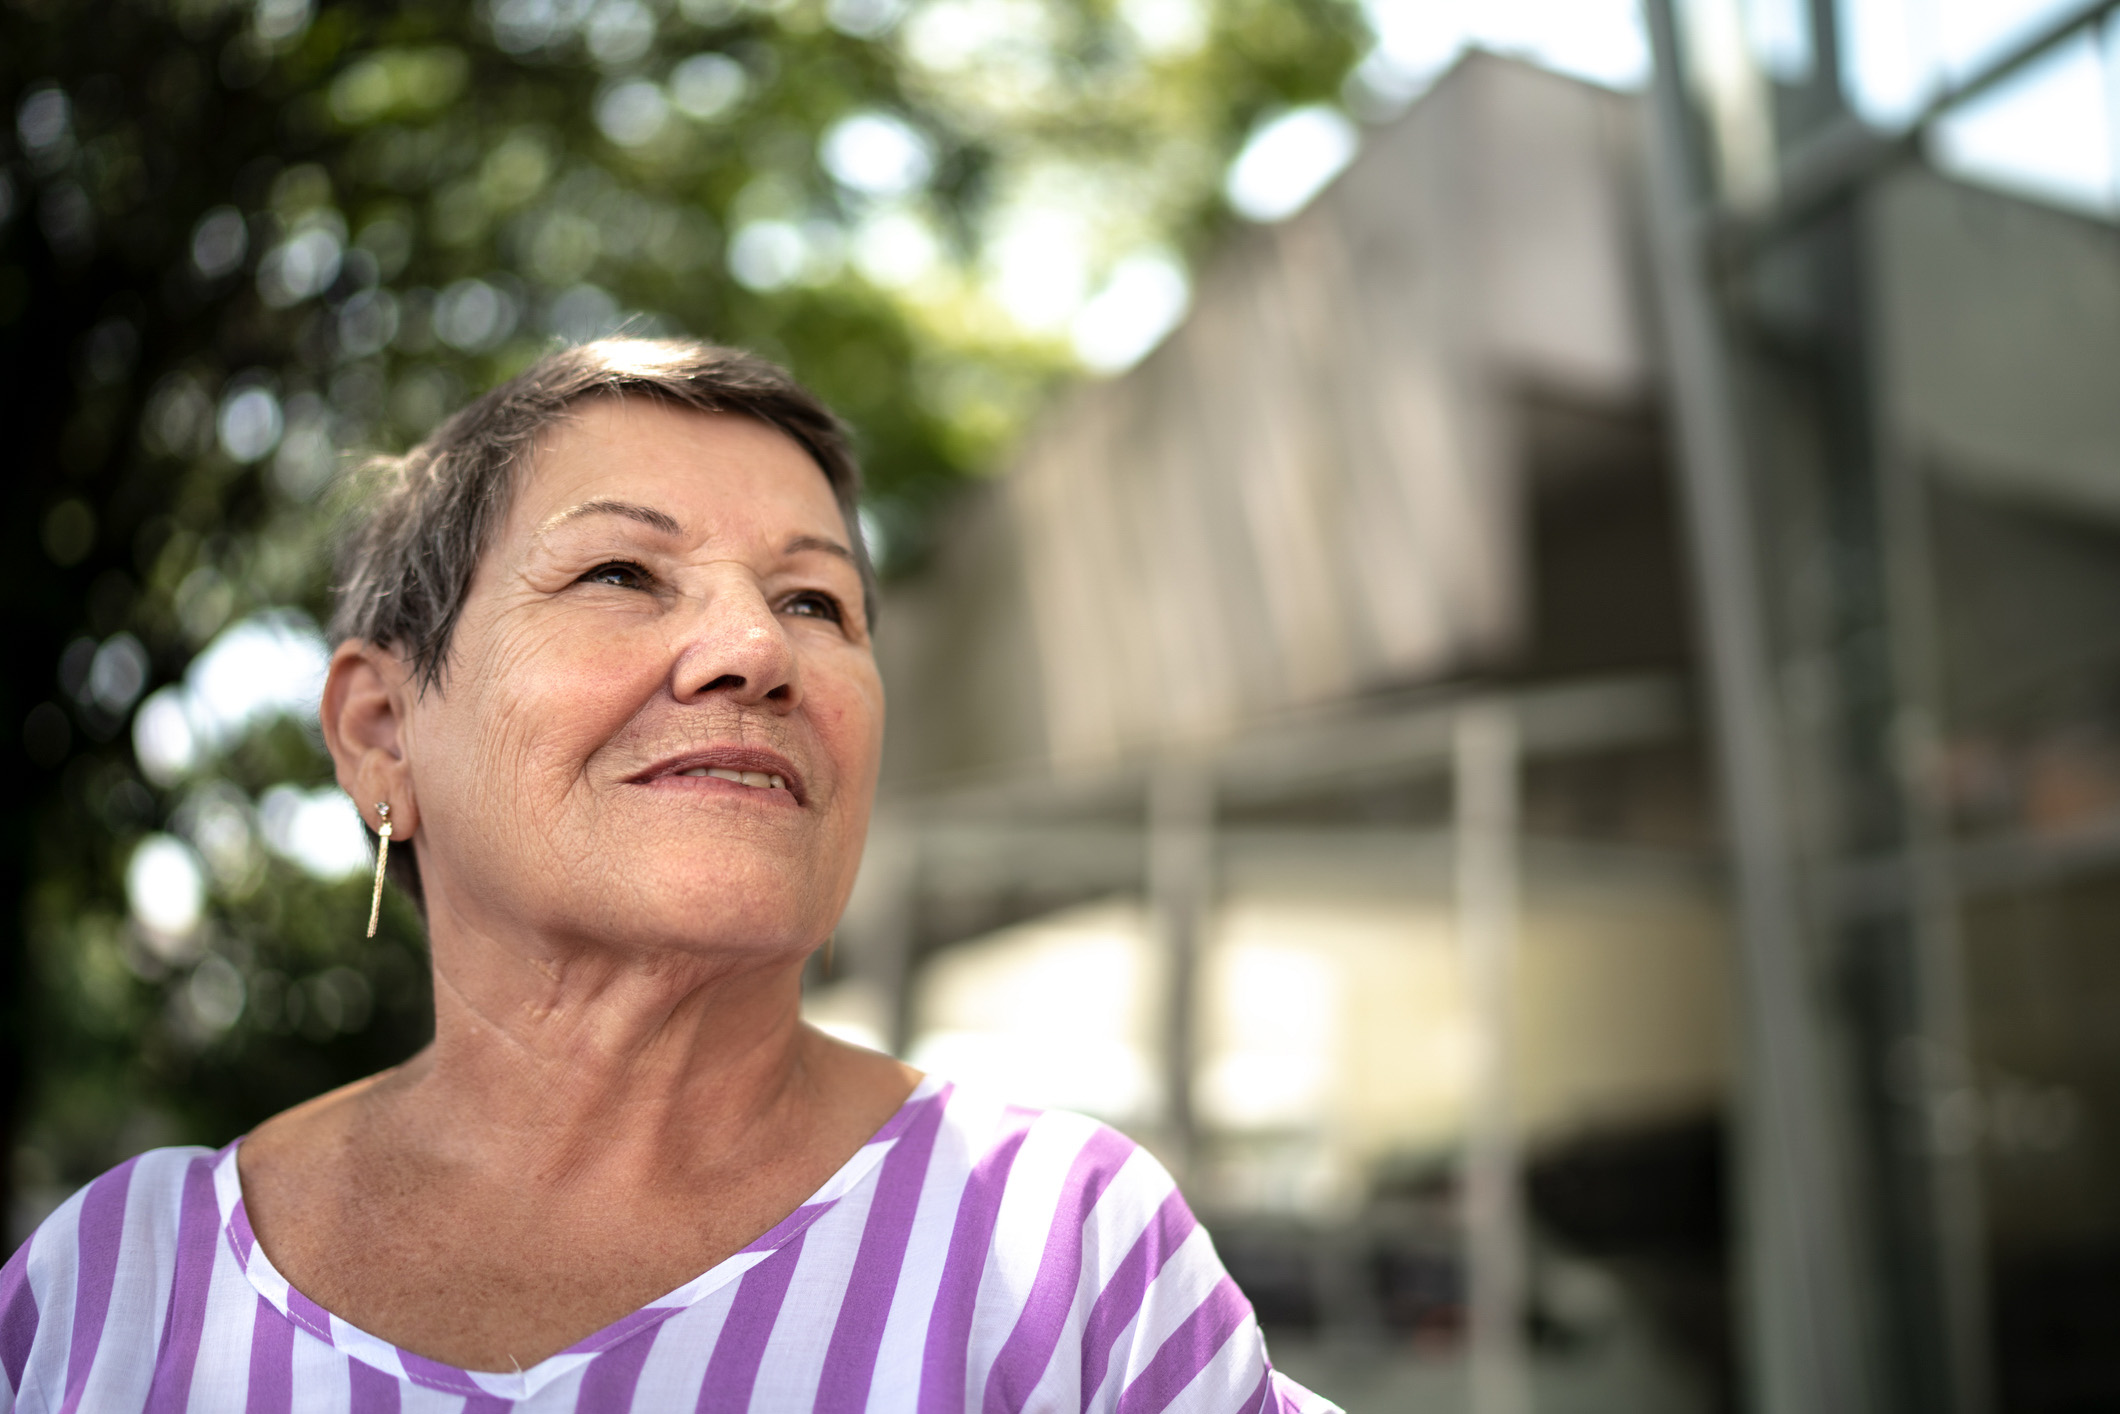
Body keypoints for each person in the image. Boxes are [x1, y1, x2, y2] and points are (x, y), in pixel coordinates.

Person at [0, 339, 1337, 1413]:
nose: (753, 647)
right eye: (623, 571)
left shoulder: (1062, 1259)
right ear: (382, 731)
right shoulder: (108, 1286)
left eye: (816, 601)